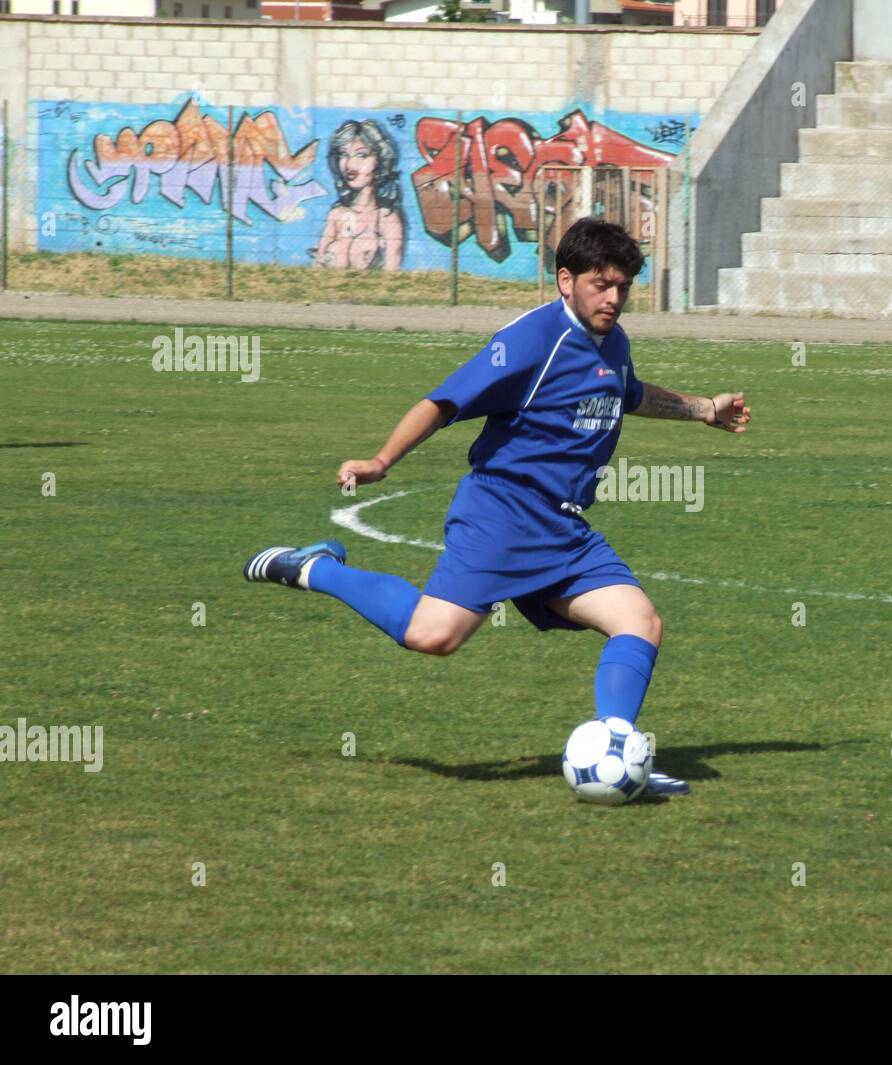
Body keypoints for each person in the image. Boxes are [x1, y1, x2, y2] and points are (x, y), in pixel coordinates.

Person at [244, 219, 752, 797]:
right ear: (565, 280)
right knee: (433, 637)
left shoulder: (612, 339)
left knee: (640, 622)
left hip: (562, 526)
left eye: (622, 288)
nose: (613, 298)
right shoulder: (531, 342)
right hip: (502, 513)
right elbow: (442, 402)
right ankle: (317, 567)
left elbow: (627, 392)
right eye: (600, 284)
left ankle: (617, 751)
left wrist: (703, 409)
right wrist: (381, 461)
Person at [314, 119, 405, 272]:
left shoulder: (387, 219)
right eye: (344, 154)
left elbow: (391, 274)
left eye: (361, 155)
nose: (350, 164)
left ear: (379, 161)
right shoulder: (336, 215)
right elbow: (317, 268)